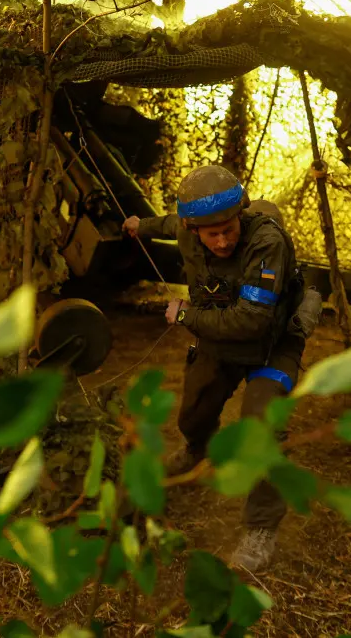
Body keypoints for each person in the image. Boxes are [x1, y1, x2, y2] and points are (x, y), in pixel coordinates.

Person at [123, 166, 307, 573]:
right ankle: (196, 448)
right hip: (218, 340)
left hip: (271, 345)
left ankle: (261, 527)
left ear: (239, 216)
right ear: (195, 228)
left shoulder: (267, 242)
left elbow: (251, 321)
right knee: (195, 411)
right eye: (212, 234)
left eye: (228, 228)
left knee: (261, 427)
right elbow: (171, 222)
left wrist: (187, 315)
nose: (222, 240)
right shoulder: (189, 227)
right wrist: (142, 225)